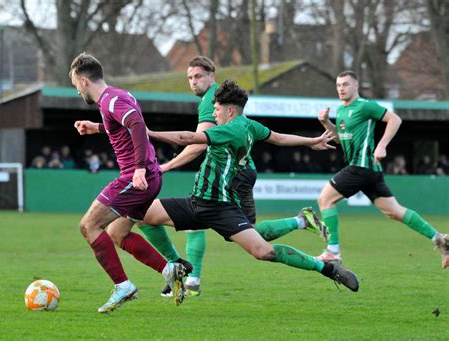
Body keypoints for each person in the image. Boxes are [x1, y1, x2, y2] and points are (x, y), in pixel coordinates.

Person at [141, 80, 360, 293]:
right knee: (141, 214)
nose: (213, 114)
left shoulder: (229, 130)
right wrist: (310, 141)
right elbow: (279, 138)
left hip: (220, 208)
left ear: (230, 111)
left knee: (264, 252)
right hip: (197, 202)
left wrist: (148, 133)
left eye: (216, 109)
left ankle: (329, 268)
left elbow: (186, 137)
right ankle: (176, 264)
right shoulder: (249, 125)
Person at [69, 52, 189, 313]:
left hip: (136, 177)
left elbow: (135, 124)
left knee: (88, 226)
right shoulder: (117, 96)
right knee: (116, 233)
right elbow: (125, 124)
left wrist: (138, 169)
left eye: (76, 85)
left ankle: (123, 286)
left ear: (84, 80)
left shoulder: (111, 100)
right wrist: (97, 127)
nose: (78, 92)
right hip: (150, 176)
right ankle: (170, 270)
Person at [314, 70, 448, 268]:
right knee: (394, 211)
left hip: (362, 167)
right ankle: (440, 240)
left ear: (356, 86)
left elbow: (395, 119)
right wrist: (326, 123)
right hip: (369, 170)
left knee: (325, 199)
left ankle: (333, 251)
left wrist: (382, 145)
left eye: (345, 84)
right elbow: (342, 141)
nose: (341, 88)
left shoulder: (366, 106)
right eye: (338, 85)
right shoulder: (342, 110)